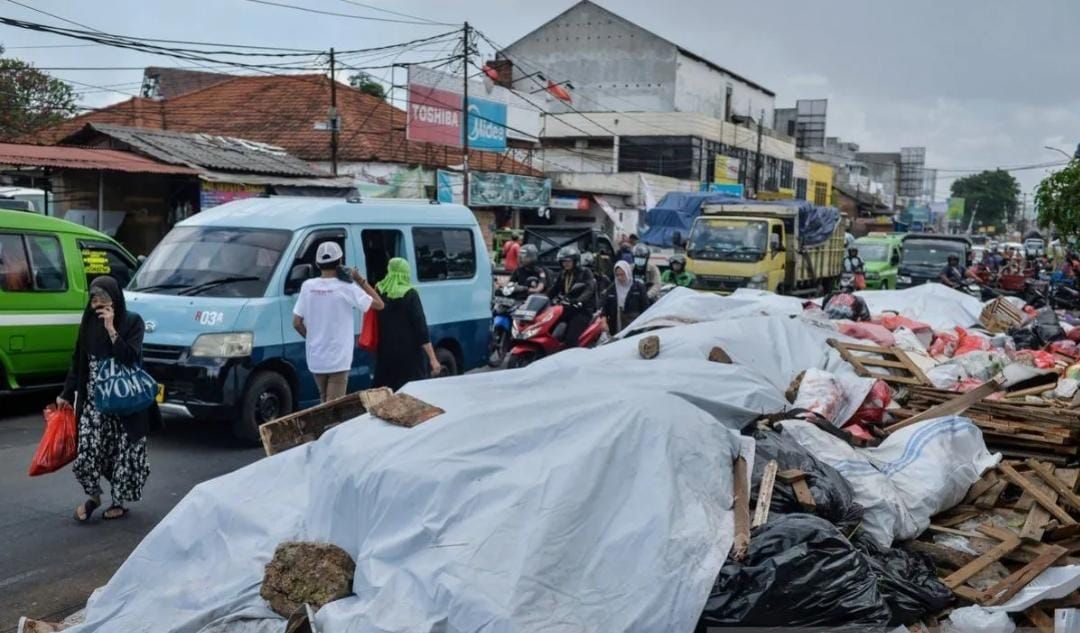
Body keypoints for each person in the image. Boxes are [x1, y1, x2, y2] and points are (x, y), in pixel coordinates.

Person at [60, 276, 160, 523]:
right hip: (94, 401)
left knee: (122, 454)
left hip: (124, 400)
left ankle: (118, 503)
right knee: (87, 450)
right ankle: (93, 496)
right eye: (94, 298)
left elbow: (130, 358)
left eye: (103, 298)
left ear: (115, 298)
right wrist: (65, 393)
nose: (97, 304)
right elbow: (78, 361)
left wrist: (112, 329)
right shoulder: (87, 323)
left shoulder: (132, 322)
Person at [292, 242, 384, 403]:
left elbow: (297, 323)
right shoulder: (347, 287)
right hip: (338, 358)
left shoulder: (307, 287)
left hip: (316, 358)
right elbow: (379, 304)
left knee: (324, 402)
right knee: (333, 408)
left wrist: (313, 339)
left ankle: (325, 429)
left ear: (317, 264)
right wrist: (359, 279)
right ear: (340, 262)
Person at [373, 257, 442, 390]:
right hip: (410, 357)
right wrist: (433, 359)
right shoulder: (410, 294)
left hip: (385, 354)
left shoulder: (379, 291)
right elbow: (421, 329)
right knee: (411, 394)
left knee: (387, 394)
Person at [547, 245, 597, 346]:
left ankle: (572, 355)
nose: (566, 264)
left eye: (568, 261)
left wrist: (579, 301)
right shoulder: (563, 274)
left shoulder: (585, 272)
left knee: (570, 338)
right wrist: (542, 299)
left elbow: (589, 289)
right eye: (563, 261)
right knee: (548, 328)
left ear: (575, 261)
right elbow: (553, 290)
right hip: (566, 309)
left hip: (582, 310)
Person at [605, 260, 649, 334]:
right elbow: (605, 306)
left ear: (627, 273)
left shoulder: (638, 287)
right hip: (616, 322)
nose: (619, 277)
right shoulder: (612, 288)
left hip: (634, 321)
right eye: (617, 275)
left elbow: (645, 306)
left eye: (622, 274)